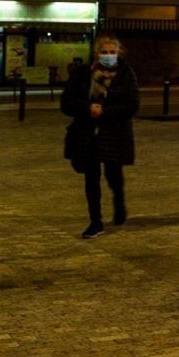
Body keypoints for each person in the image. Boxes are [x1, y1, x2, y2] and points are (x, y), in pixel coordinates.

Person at [61, 35, 139, 239]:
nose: (108, 56)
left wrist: (105, 111)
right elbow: (67, 103)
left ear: (118, 53)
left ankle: (118, 200)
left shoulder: (125, 74)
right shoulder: (82, 74)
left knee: (113, 173)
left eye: (112, 52)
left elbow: (132, 105)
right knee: (91, 177)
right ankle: (95, 221)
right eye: (104, 52)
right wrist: (87, 108)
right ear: (96, 53)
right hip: (88, 133)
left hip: (114, 133)